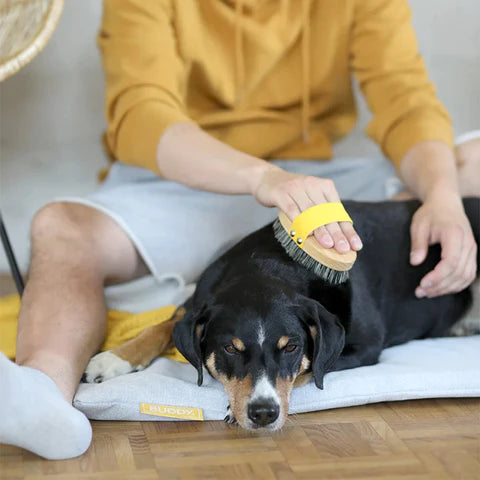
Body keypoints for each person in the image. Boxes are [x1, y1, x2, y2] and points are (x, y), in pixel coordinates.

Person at [0, 0, 478, 460]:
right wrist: (262, 178)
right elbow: (141, 111)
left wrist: (442, 198)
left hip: (311, 178)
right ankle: (40, 396)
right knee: (60, 226)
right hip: (187, 176)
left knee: (470, 159)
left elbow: (407, 100)